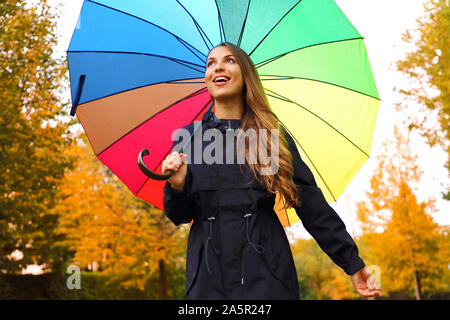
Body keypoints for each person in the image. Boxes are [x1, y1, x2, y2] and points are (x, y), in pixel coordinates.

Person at [162, 42, 381, 300]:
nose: (217, 66)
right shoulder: (189, 138)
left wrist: (352, 263)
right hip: (207, 280)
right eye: (211, 63)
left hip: (266, 273)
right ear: (207, 79)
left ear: (246, 76)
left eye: (229, 60)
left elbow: (311, 205)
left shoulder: (270, 137)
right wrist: (176, 186)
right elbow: (179, 215)